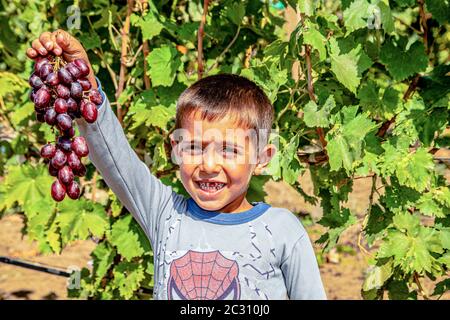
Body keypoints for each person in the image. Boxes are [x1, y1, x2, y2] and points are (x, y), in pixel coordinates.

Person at [27, 30, 327, 300]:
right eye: (194, 147)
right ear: (175, 149)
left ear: (262, 157)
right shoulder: (165, 214)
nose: (209, 165)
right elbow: (113, 156)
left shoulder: (283, 230)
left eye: (230, 151)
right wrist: (84, 86)